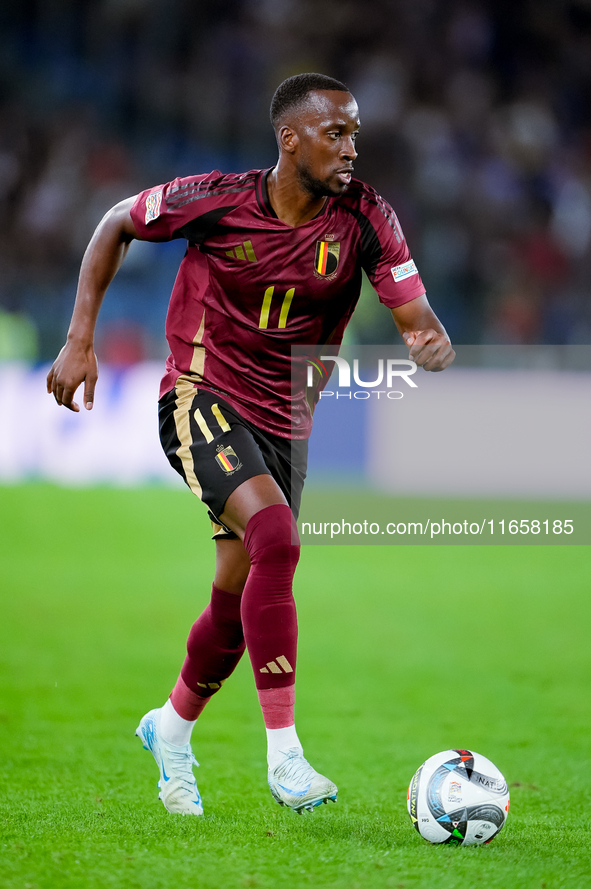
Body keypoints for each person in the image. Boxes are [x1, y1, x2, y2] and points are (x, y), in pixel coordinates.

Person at [47, 73, 455, 816]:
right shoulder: (215, 200)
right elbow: (116, 222)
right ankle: (286, 757)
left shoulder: (366, 216)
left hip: (285, 424)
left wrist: (425, 338)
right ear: (289, 138)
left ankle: (169, 728)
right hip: (199, 396)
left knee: (238, 599)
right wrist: (80, 339)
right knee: (278, 537)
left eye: (355, 133)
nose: (351, 149)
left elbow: (414, 313)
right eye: (336, 133)